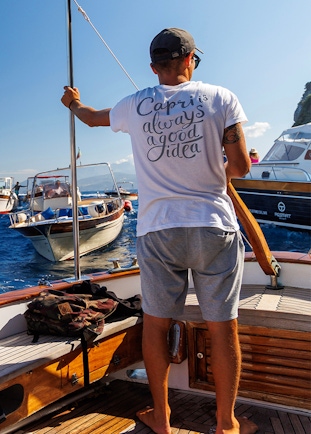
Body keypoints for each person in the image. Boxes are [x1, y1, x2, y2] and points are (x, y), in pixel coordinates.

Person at [61, 28, 256, 434]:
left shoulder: (134, 104)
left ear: (153, 67)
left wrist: (73, 103)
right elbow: (239, 168)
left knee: (155, 324)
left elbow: (94, 120)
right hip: (212, 225)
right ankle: (226, 423)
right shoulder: (221, 98)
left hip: (157, 230)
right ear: (190, 60)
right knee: (223, 326)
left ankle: (162, 419)